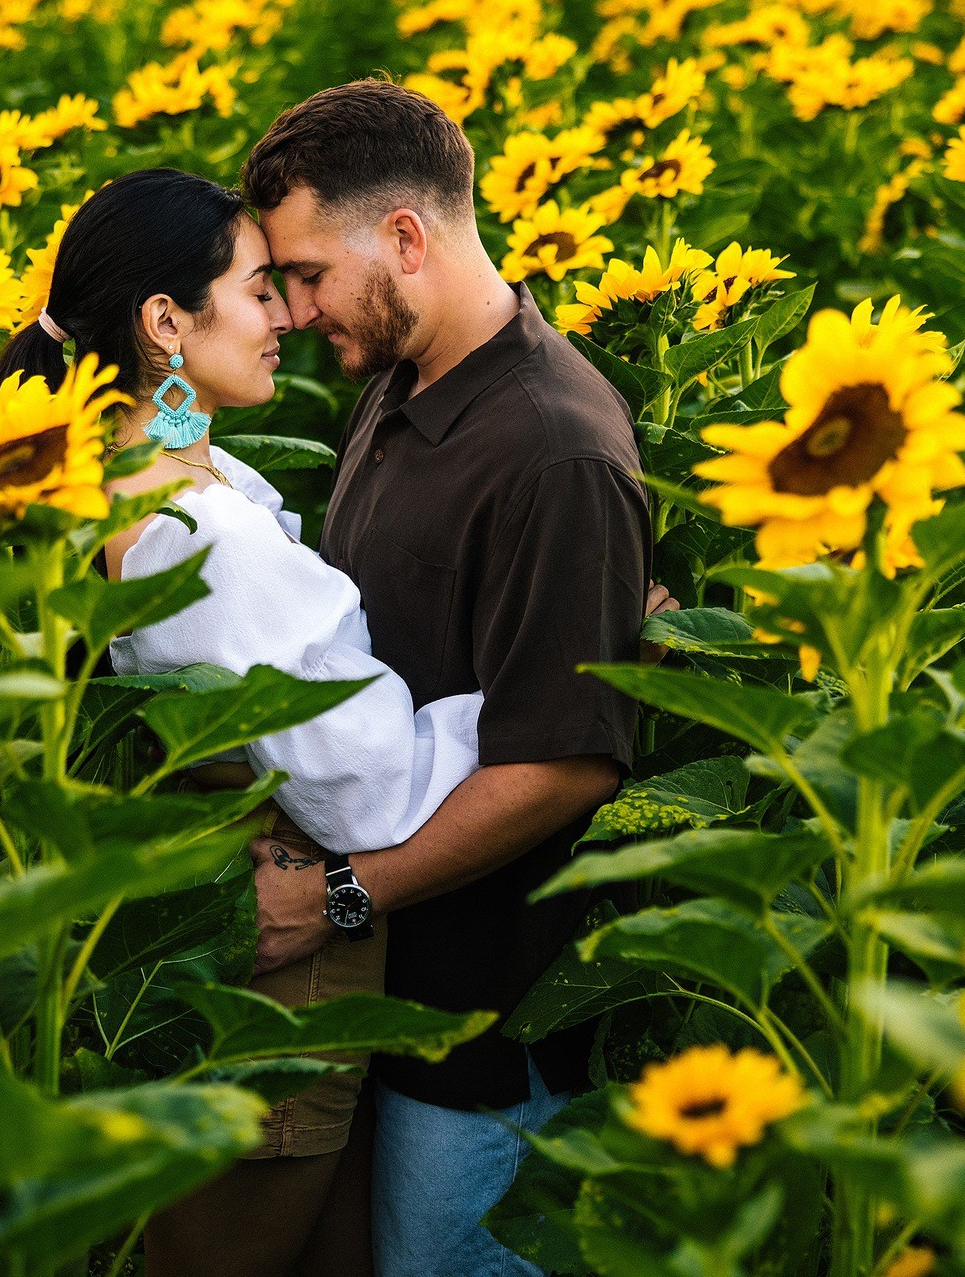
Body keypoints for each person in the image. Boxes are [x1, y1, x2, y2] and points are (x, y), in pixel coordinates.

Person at [0, 167, 483, 1277]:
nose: (287, 319)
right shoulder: (194, 528)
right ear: (166, 321)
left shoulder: (108, 483)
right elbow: (363, 785)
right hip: (280, 971)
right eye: (260, 290)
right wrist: (546, 687)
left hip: (196, 937)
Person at [240, 80, 655, 1277]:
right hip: (391, 1000)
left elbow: (566, 759)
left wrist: (339, 898)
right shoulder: (401, 378)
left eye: (308, 273)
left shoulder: (554, 447)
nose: (296, 307)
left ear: (406, 239)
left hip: (481, 1030)